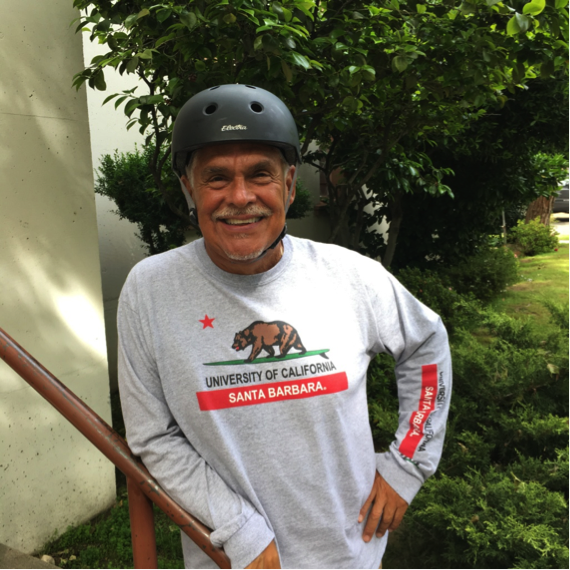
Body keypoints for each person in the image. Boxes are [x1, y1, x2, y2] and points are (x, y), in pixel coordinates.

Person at [117, 84, 452, 570]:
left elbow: (426, 342)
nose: (240, 197)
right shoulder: (150, 290)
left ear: (290, 185)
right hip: (229, 559)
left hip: (350, 552)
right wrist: (240, 530)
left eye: (260, 174)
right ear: (189, 188)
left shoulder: (351, 276)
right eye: (216, 177)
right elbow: (153, 438)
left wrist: (407, 465)